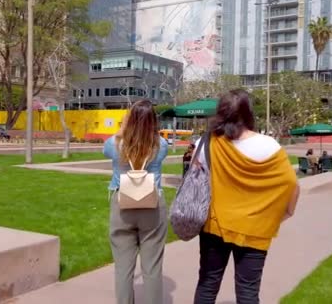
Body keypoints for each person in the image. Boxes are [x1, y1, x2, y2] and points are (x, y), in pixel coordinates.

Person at [193, 89, 300, 304]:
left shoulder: (204, 143)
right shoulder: (269, 145)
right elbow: (290, 184)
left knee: (207, 283)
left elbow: (195, 179)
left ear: (220, 112)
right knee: (248, 291)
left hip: (214, 224)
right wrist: (284, 212)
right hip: (255, 228)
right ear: (249, 112)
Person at [103, 100, 169, 304]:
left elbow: (106, 151)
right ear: (153, 121)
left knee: (123, 267)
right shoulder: (161, 145)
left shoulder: (114, 144)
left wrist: (123, 129)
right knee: (152, 267)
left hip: (122, 202)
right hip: (152, 204)